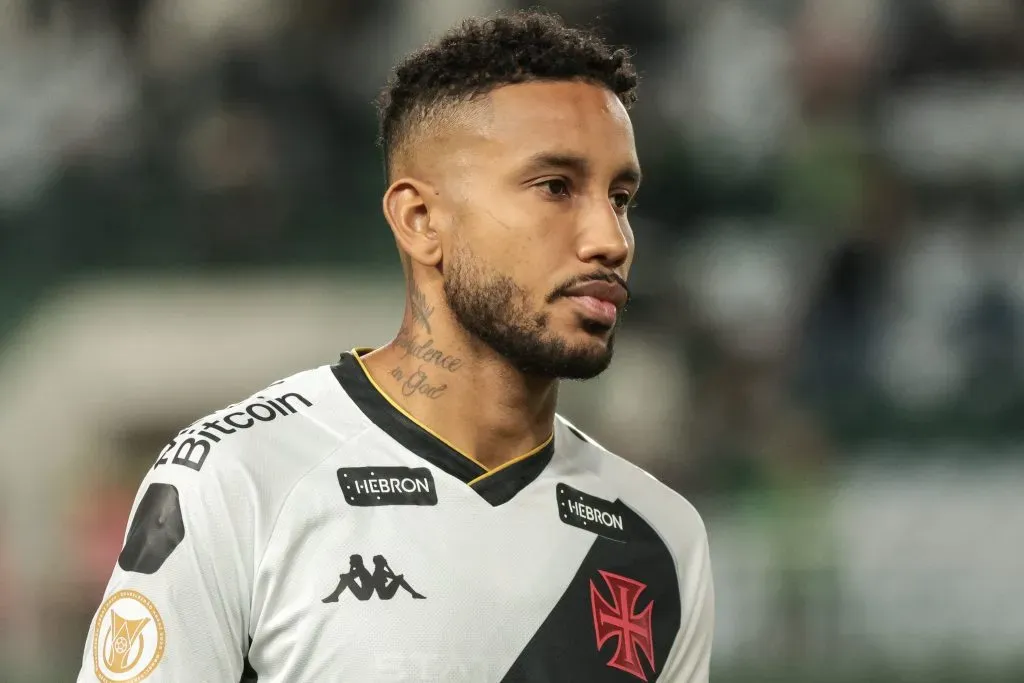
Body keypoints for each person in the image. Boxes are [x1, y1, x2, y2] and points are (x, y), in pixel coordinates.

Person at [77, 10, 714, 682]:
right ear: (420, 220)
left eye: (621, 197)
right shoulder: (238, 478)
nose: (611, 239)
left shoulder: (662, 537)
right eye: (556, 187)